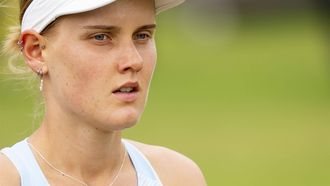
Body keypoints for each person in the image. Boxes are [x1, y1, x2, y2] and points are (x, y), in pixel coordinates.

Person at [0, 0, 207, 185]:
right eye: (101, 37)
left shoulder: (177, 177)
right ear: (36, 51)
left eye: (142, 35)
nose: (134, 61)